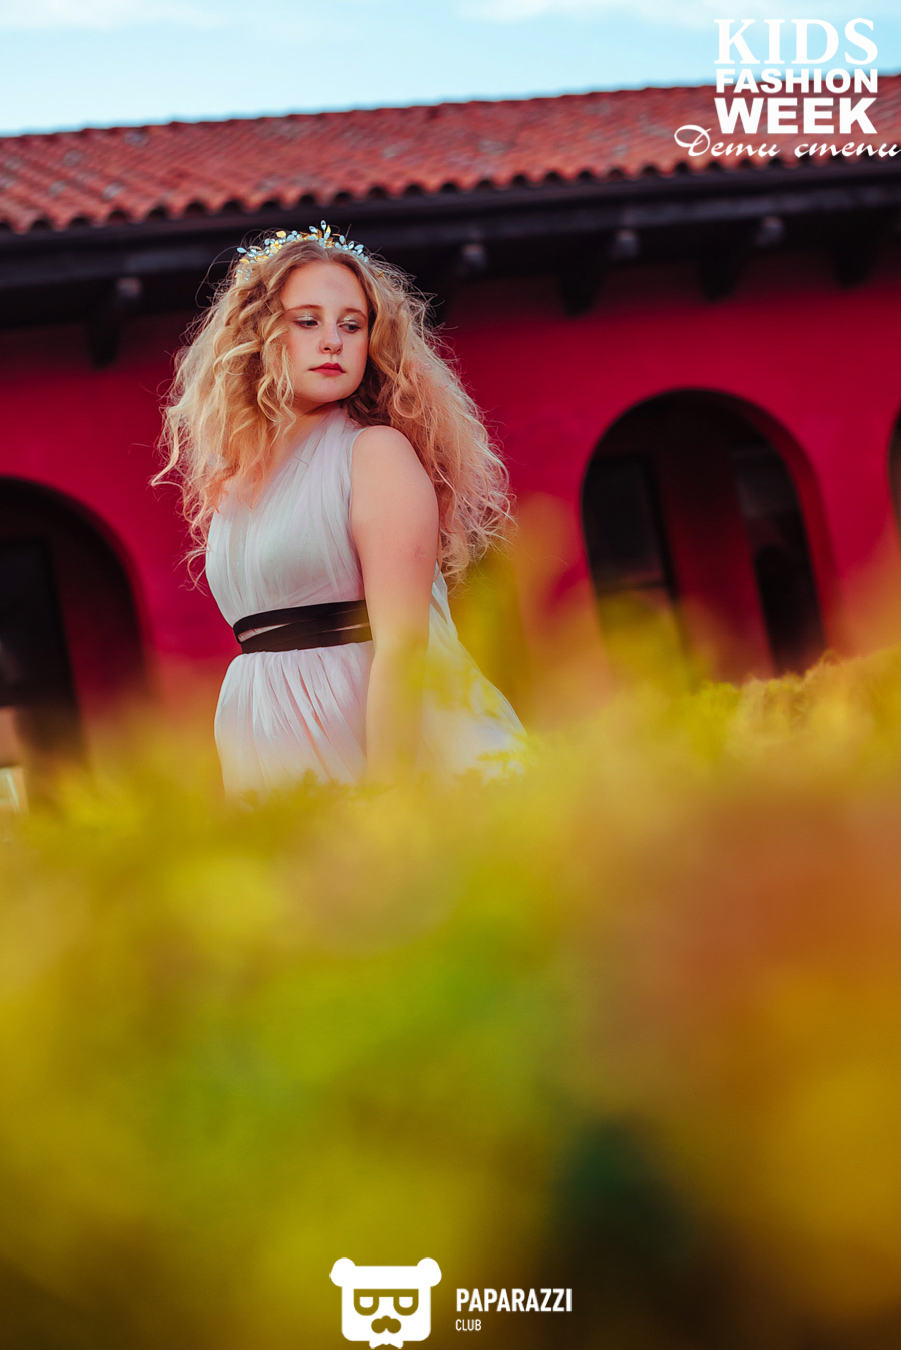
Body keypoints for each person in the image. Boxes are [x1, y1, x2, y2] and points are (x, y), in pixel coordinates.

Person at [156, 222, 526, 796]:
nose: (333, 340)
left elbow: (405, 645)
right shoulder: (234, 480)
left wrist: (389, 794)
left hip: (376, 742)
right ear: (258, 333)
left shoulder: (374, 453)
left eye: (352, 325)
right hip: (265, 737)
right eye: (307, 321)